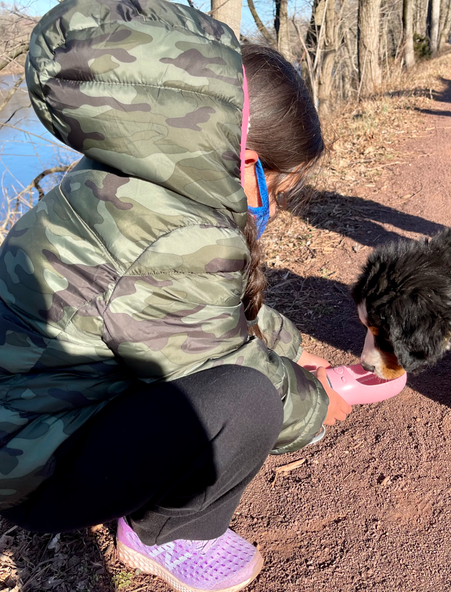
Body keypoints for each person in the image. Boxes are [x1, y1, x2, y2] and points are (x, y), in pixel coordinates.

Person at [0, 0, 351, 590]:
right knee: (248, 400)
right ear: (246, 160)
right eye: (275, 182)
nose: (271, 200)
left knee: (249, 380)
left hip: (32, 419)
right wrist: (317, 402)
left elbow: (206, 312)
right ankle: (167, 533)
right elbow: (220, 359)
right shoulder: (179, 233)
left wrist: (289, 346)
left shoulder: (134, 174)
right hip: (29, 467)